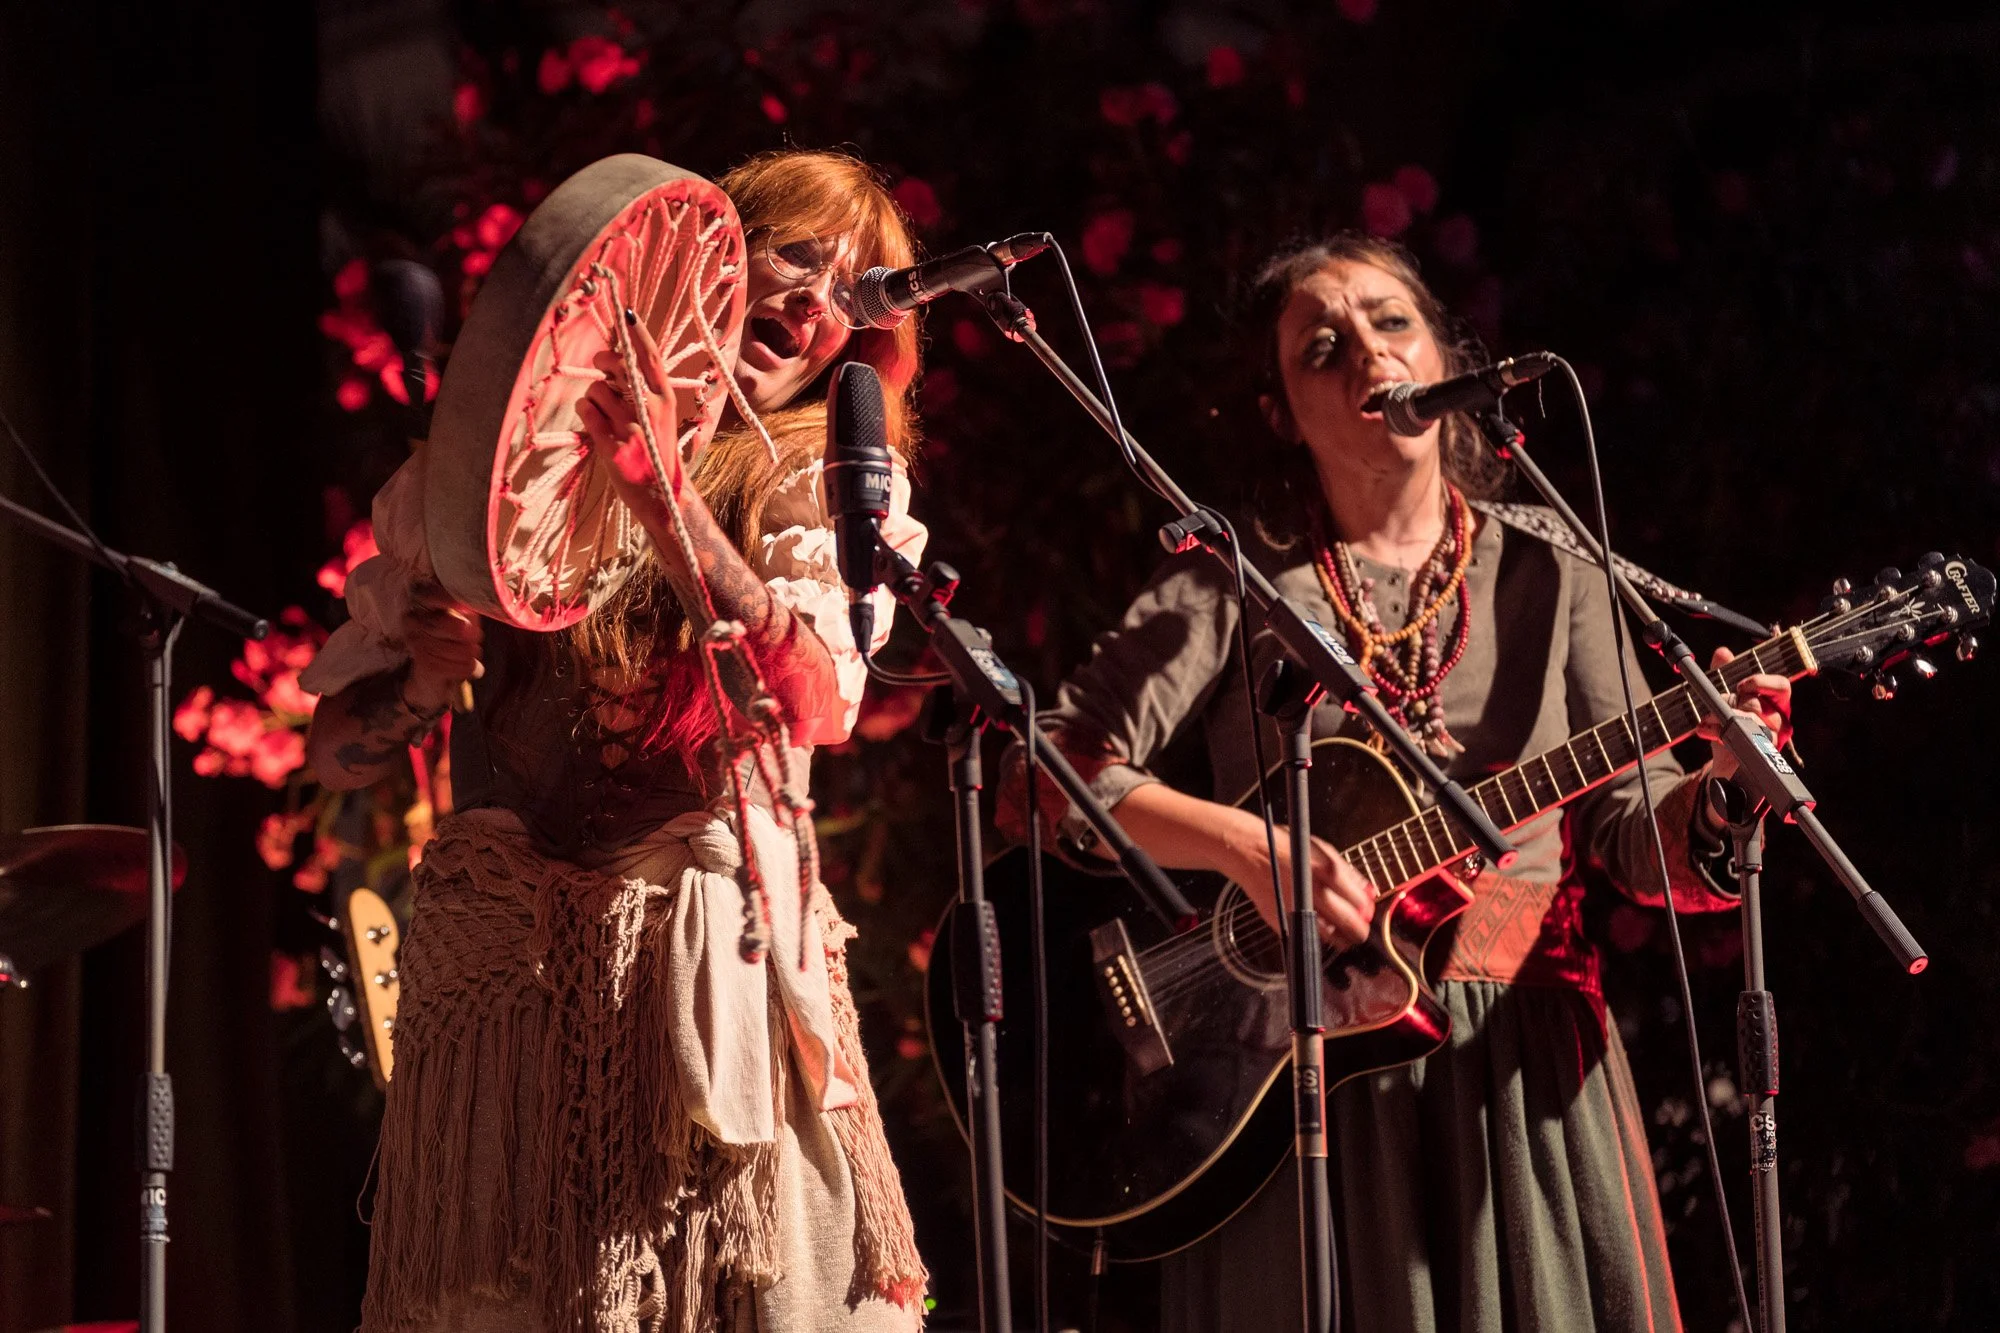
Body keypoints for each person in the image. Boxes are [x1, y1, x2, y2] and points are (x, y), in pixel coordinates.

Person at [999, 234, 1792, 1331]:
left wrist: (1719, 796)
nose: (1365, 351)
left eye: (1390, 322)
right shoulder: (1235, 582)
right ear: (1279, 411)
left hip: (1518, 1052)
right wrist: (1243, 849)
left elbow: (1631, 835)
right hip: (1294, 1073)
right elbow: (1044, 772)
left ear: (1444, 355)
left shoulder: (1550, 567)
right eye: (1321, 346)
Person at [302, 149, 931, 1333]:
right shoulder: (493, 468)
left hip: (705, 990)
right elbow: (334, 750)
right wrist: (423, 683)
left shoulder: (824, 483)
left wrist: (670, 505)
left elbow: (814, 700)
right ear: (707, 249)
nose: (811, 304)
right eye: (797, 255)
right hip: (503, 1007)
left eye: (850, 291)